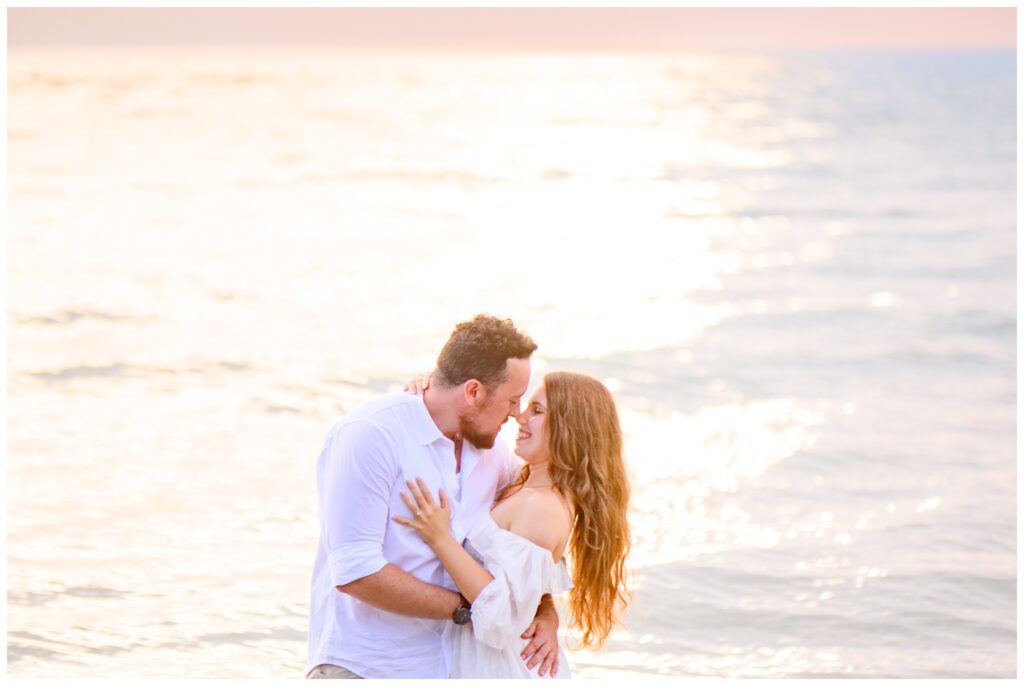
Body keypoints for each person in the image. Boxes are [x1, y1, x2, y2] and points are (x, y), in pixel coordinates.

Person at [306, 315, 562, 679]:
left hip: (453, 670)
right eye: (512, 400)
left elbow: (524, 553)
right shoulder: (371, 435)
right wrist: (471, 609)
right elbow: (355, 572)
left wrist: (545, 612)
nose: (516, 414)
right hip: (366, 668)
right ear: (473, 392)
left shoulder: (495, 457)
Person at [394, 370, 631, 678]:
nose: (520, 416)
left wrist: (440, 538)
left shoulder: (542, 508)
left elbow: (501, 620)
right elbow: (526, 587)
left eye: (537, 411)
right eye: (525, 406)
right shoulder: (523, 484)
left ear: (569, 428)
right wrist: (433, 389)